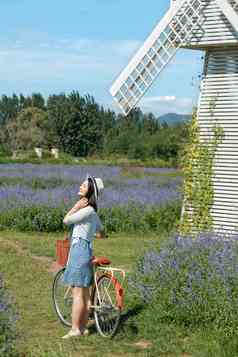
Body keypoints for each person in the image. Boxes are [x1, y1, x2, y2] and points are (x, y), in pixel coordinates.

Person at [61, 174, 104, 339]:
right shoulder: (92, 212)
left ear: (90, 192)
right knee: (85, 293)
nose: (80, 186)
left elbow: (66, 220)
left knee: (77, 293)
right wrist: (90, 232)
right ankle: (84, 327)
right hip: (86, 249)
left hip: (79, 251)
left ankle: (75, 330)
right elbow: (101, 232)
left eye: (84, 186)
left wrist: (75, 206)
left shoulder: (85, 210)